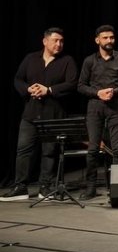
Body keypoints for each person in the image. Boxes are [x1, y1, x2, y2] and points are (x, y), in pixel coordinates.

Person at [2, 28, 78, 200]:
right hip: (31, 114)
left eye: (61, 41)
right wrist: (28, 89)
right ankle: (20, 187)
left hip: (53, 115)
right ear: (45, 41)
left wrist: (48, 90)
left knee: (49, 152)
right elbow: (18, 79)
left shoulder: (67, 60)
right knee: (23, 151)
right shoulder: (31, 58)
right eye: (55, 40)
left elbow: (72, 83)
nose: (59, 44)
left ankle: (46, 186)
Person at [77, 25, 118, 200]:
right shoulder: (89, 61)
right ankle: (91, 187)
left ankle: (117, 188)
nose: (109, 40)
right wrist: (97, 93)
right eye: (105, 38)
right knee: (93, 149)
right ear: (97, 40)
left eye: (111, 37)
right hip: (95, 107)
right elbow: (81, 86)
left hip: (116, 106)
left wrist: (114, 91)